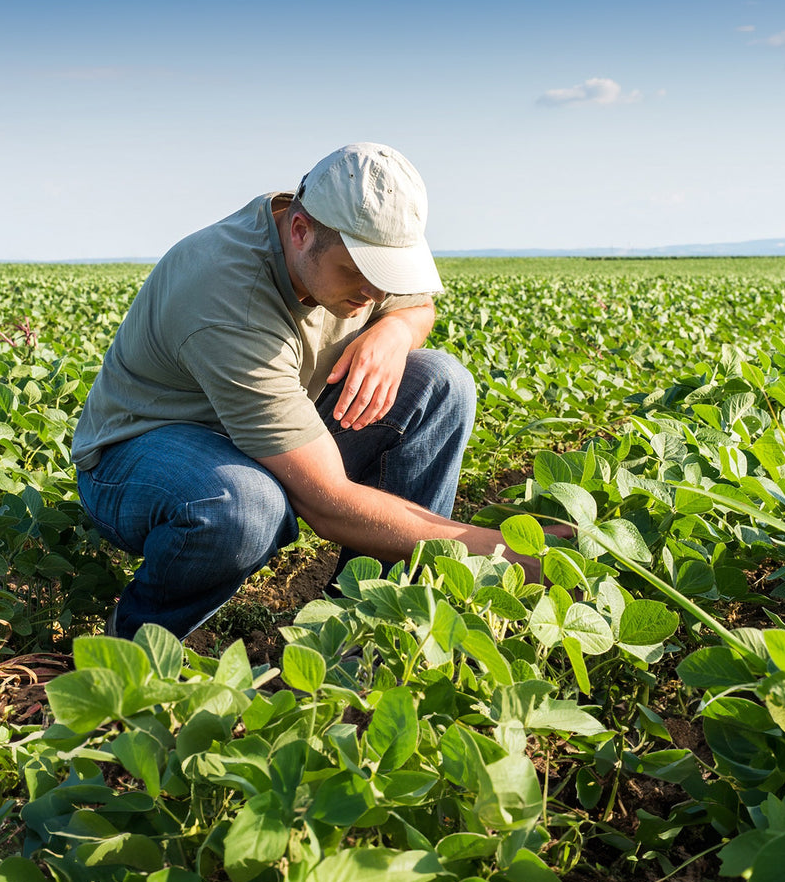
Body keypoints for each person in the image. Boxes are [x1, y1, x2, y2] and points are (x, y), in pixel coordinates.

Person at [73, 142, 554, 641]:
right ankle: (133, 644)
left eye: (387, 274)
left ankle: (372, 622)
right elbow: (330, 503)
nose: (374, 293)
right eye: (359, 272)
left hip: (266, 430)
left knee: (441, 382)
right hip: (144, 454)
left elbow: (418, 306)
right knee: (244, 505)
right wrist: (507, 555)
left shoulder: (339, 243)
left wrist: (395, 332)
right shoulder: (226, 295)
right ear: (300, 231)